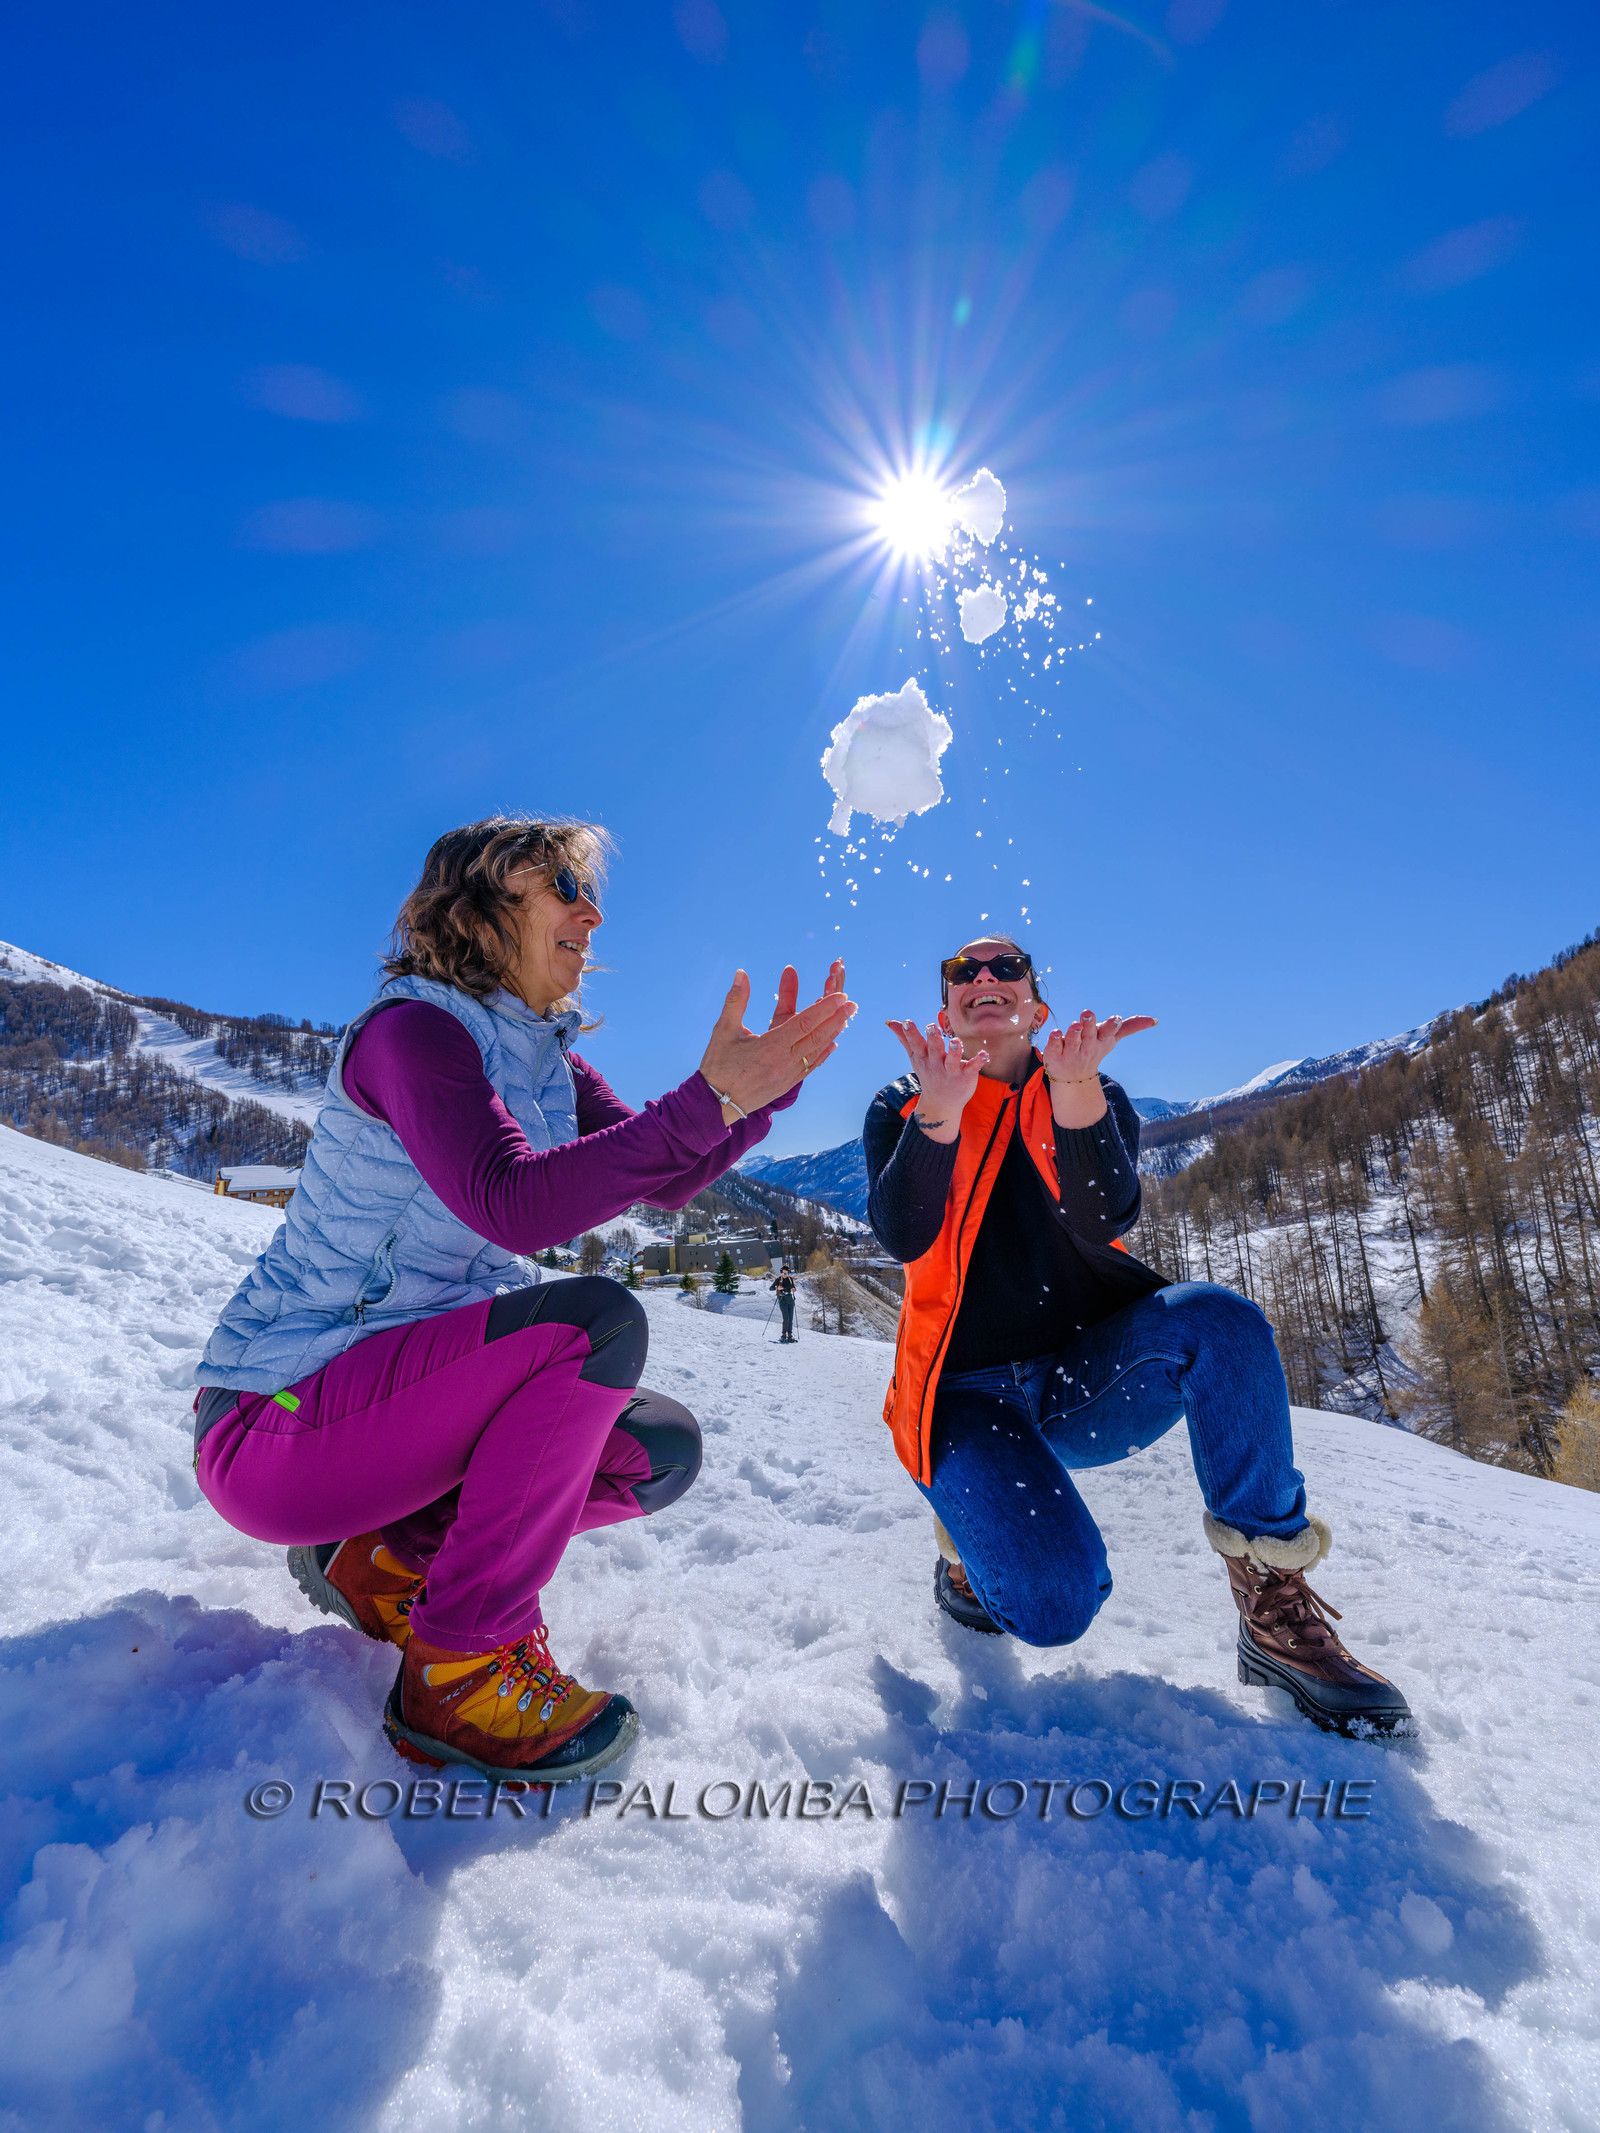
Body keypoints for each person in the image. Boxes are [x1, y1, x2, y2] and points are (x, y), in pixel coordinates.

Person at [192, 816, 855, 1779]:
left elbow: (661, 1177)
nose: (591, 913)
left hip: (389, 1414)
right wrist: (712, 1097)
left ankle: (381, 1561)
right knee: (589, 1325)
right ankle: (458, 1669)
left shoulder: (546, 1056)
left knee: (651, 1450)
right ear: (478, 908)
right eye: (561, 885)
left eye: (591, 892)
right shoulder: (412, 1033)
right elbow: (514, 1203)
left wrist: (753, 1091)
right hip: (277, 1421)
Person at [864, 935, 1411, 1738]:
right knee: (1053, 1607)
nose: (984, 979)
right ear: (946, 1011)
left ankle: (1270, 1599)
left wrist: (1077, 1087)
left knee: (1219, 1321)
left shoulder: (1086, 1089)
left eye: (1005, 968)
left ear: (1036, 1006)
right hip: (963, 1398)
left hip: (1086, 1377)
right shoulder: (904, 1102)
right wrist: (940, 1109)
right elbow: (904, 1235)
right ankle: (967, 1550)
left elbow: (1105, 1215)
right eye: (962, 974)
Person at [770, 1266, 798, 1343]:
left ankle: (790, 1335)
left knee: (790, 1318)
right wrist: (777, 1288)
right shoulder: (778, 1280)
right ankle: (783, 1335)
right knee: (786, 1318)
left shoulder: (790, 1279)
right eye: (783, 1273)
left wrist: (794, 1289)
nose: (784, 1274)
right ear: (781, 1272)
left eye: (786, 1273)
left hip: (790, 1299)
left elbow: (793, 1288)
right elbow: (771, 1288)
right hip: (782, 1299)